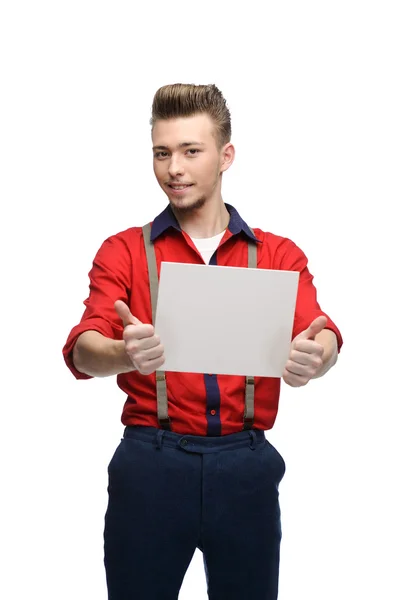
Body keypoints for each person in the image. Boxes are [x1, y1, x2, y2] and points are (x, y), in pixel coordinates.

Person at [63, 83, 343, 600]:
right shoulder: (123, 251)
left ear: (225, 155)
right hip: (150, 462)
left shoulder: (277, 254)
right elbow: (83, 348)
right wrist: (124, 353)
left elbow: (321, 333)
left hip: (246, 467)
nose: (174, 168)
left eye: (192, 151)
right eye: (162, 153)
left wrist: (316, 358)